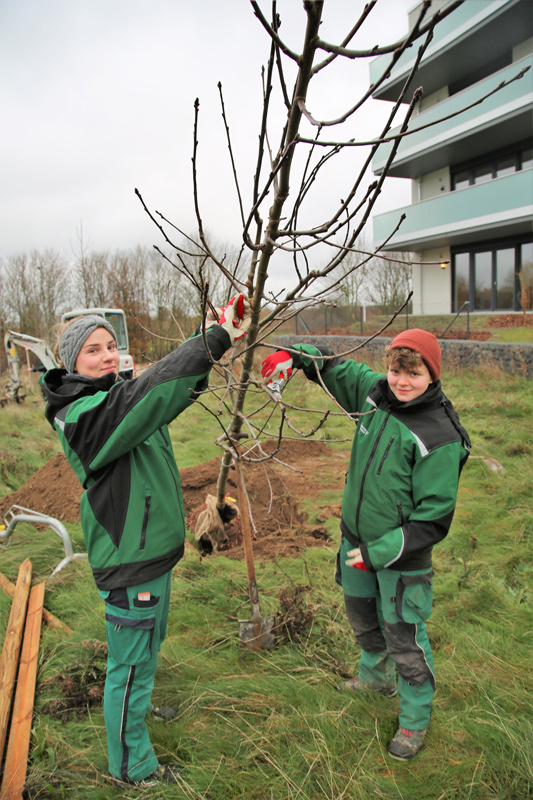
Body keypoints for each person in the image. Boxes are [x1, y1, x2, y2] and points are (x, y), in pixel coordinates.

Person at [42, 297, 250, 786]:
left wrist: (209, 348)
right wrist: (214, 338)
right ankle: (130, 768)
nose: (107, 356)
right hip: (128, 561)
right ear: (71, 363)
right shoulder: (85, 414)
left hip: (151, 555)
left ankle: (139, 710)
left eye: (111, 346)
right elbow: (149, 395)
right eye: (93, 351)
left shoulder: (115, 396)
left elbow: (162, 393)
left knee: (147, 647)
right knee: (129, 665)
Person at [261, 329, 470, 761]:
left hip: (399, 557)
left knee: (404, 636)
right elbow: (333, 365)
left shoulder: (439, 436)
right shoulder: (375, 394)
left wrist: (379, 552)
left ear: (432, 374)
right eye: (396, 370)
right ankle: (373, 679)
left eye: (414, 373)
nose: (402, 381)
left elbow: (432, 522)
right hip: (355, 543)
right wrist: (292, 355)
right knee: (363, 619)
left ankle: (414, 720)